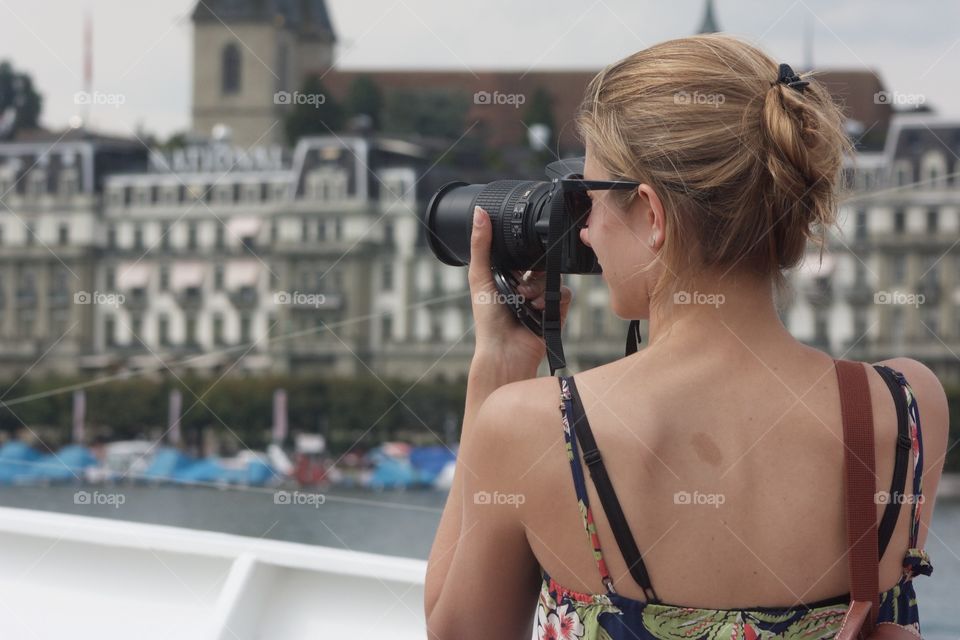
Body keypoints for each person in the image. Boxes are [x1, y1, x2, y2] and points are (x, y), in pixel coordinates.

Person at [424, 33, 949, 640]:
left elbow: (457, 630)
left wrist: (495, 370)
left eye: (586, 199)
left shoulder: (532, 426)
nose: (585, 232)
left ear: (650, 214)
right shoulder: (909, 404)